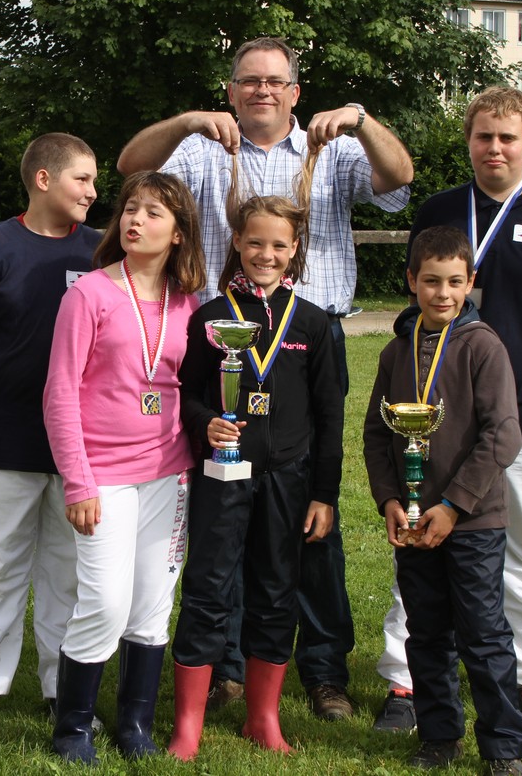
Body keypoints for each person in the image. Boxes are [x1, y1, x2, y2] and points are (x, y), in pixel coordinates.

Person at [118, 35, 414, 719]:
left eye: (274, 81)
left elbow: (397, 180)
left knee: (308, 518)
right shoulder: (203, 147)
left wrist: (364, 120)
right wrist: (187, 121)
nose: (261, 90)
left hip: (309, 338)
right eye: (248, 80)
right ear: (230, 90)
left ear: (295, 92)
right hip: (222, 345)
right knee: (226, 516)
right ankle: (225, 666)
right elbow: (132, 167)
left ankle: (321, 667)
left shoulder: (330, 146)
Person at [373, 85, 522, 733]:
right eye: (484, 136)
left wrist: (516, 357)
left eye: (508, 137)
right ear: (469, 142)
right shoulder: (441, 211)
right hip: (436, 418)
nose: (495, 147)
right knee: (420, 538)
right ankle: (407, 681)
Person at [0, 133, 101, 741]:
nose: (93, 191)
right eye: (82, 179)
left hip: (80, 451)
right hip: (0, 444)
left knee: (69, 574)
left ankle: (64, 690)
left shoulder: (103, 252)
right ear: (43, 180)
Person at [170, 194, 344, 759]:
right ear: (237, 245)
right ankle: (188, 725)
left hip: (287, 480)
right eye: (254, 243)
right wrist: (205, 425)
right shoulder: (211, 317)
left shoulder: (314, 325)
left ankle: (263, 717)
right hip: (222, 479)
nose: (265, 254)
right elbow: (189, 395)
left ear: (294, 251)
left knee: (275, 593)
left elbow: (329, 417)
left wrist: (324, 493)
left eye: (277, 245)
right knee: (206, 590)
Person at [42, 171, 205, 764]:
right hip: (102, 475)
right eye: (130, 210)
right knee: (105, 601)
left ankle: (134, 723)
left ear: (179, 234)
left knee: (152, 603)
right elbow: (59, 393)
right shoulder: (88, 293)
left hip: (169, 473)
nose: (135, 221)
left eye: (153, 214)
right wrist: (79, 479)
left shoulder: (190, 304)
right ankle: (73, 724)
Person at [363, 225, 522, 775]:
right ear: (411, 281)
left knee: (482, 635)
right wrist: (389, 498)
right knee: (426, 633)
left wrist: (454, 504)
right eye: (430, 281)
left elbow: (502, 435)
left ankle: (503, 747)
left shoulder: (483, 346)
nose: (442, 293)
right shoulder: (395, 352)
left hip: (473, 521)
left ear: (470, 282)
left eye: (454, 282)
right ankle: (438, 737)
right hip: (413, 521)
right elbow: (374, 434)